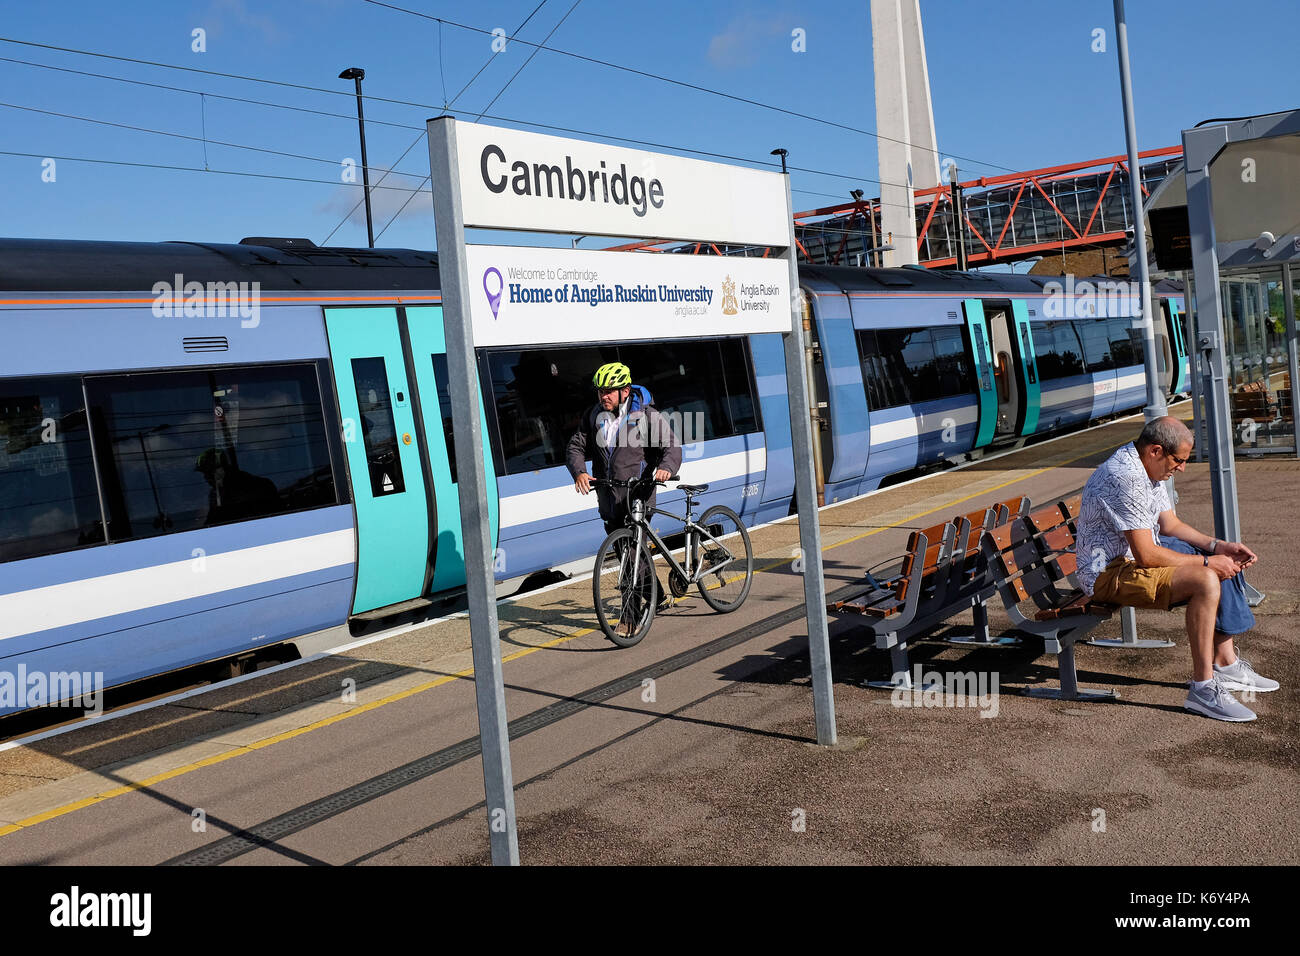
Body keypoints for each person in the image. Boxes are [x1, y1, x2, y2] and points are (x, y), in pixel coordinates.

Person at [1075, 416, 1278, 722]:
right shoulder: (1125, 476)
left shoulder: (1147, 468)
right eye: (1179, 460)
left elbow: (1169, 525)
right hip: (1107, 573)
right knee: (1206, 579)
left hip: (1131, 559)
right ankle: (1203, 689)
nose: (1181, 468)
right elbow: (1146, 555)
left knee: (1224, 560)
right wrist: (1209, 563)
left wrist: (1216, 547)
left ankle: (1225, 662)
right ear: (1156, 451)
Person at [568, 362, 682, 619]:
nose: (603, 396)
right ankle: (659, 597)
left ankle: (629, 620)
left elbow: (671, 446)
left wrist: (665, 467)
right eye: (600, 391)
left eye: (609, 391)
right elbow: (575, 447)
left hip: (638, 496)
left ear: (626, 391)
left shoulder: (647, 416)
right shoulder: (592, 416)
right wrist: (580, 472)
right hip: (608, 499)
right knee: (629, 556)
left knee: (630, 558)